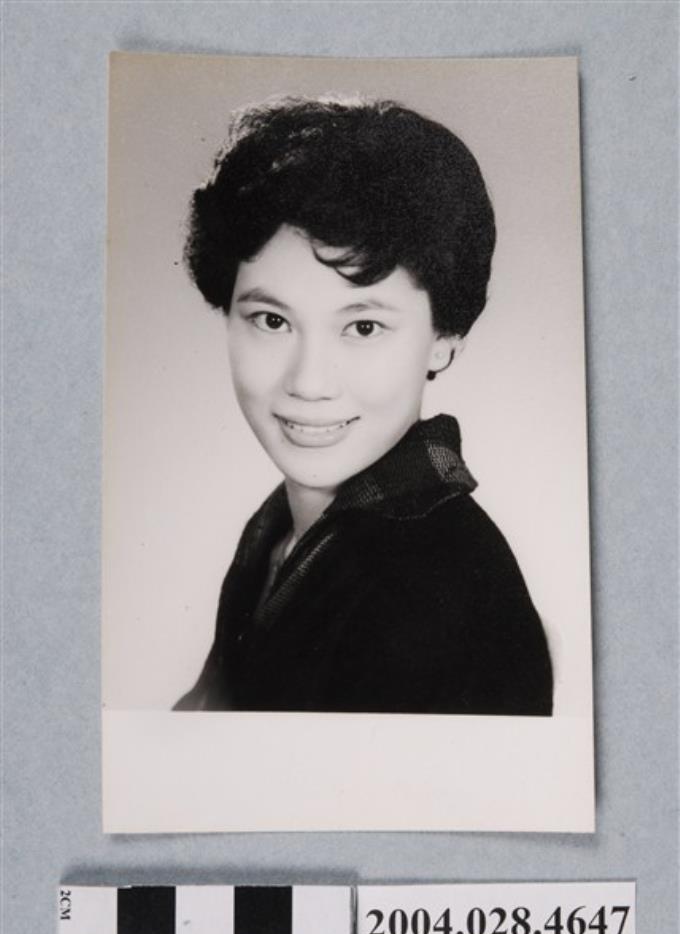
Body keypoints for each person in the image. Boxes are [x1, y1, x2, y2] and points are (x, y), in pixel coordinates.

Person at [175, 96, 553, 715]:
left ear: (444, 340)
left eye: (363, 327)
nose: (309, 382)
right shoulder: (280, 534)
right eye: (272, 320)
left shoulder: (435, 589)